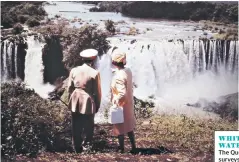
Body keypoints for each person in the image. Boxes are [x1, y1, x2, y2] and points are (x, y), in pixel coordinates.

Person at [67, 49, 102, 153]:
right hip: (87, 100)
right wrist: (97, 104)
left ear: (82, 59)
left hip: (75, 99)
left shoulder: (74, 70)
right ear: (94, 59)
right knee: (88, 125)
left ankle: (76, 147)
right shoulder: (95, 73)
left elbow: (69, 88)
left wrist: (72, 98)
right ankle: (87, 146)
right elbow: (97, 91)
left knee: (75, 124)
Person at [110, 48, 136, 153]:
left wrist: (115, 101)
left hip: (121, 105)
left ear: (114, 62)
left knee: (119, 127)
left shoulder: (118, 76)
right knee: (129, 126)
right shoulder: (127, 71)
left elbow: (121, 93)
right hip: (129, 103)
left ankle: (121, 148)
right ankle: (134, 147)